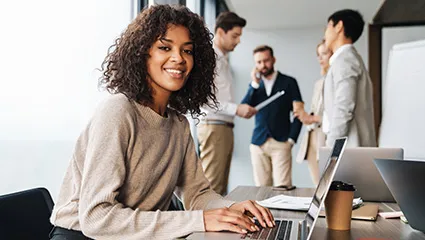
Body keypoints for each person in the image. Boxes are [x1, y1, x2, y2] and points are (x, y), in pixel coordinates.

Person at [49, 5, 275, 240]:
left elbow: (197, 194)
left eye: (187, 51)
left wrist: (229, 210)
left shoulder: (178, 124)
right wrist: (200, 220)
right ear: (142, 53)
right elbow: (97, 218)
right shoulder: (118, 111)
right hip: (81, 235)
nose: (178, 58)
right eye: (164, 47)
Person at [197, 11, 256, 196]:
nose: (238, 41)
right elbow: (204, 100)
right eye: (235, 36)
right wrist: (236, 109)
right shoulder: (211, 59)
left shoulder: (223, 60)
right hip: (215, 127)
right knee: (212, 188)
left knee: (220, 188)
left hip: (223, 127)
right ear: (220, 32)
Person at [241, 45, 303, 189]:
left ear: (273, 60)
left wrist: (291, 139)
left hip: (281, 142)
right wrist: (254, 84)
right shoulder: (255, 86)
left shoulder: (289, 82)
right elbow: (244, 109)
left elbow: (299, 112)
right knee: (261, 189)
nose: (263, 65)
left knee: (283, 188)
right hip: (258, 143)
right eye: (259, 62)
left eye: (266, 60)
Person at [322, 9, 377, 147]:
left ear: (339, 26)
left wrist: (331, 145)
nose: (325, 34)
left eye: (328, 26)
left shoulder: (345, 60)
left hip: (348, 148)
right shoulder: (348, 59)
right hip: (351, 147)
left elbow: (344, 106)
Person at [295, 40, 332, 185]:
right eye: (318, 55)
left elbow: (336, 115)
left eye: (324, 53)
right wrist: (305, 117)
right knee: (318, 186)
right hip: (312, 137)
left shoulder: (334, 81)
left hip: (326, 138)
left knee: (328, 185)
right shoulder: (319, 83)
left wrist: (312, 118)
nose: (320, 58)